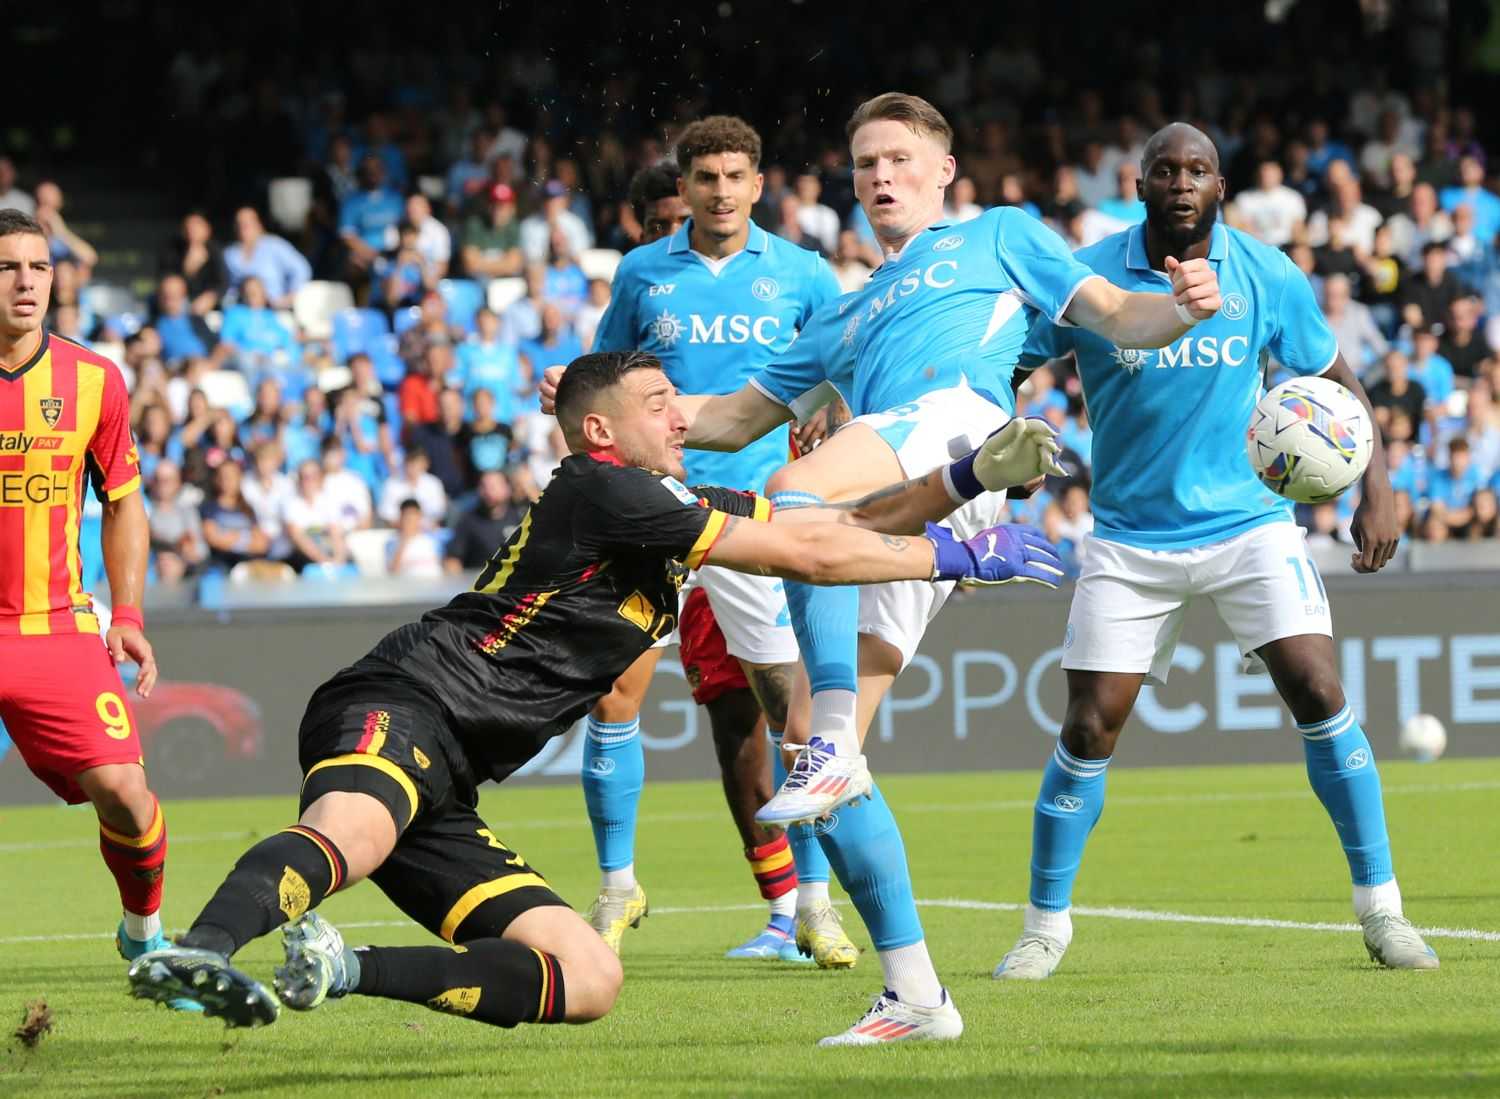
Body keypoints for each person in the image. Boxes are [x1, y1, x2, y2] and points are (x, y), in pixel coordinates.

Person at [545, 93, 1221, 1046]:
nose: (881, 176)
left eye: (899, 158)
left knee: (793, 497)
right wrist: (600, 408)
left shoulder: (996, 236)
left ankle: (968, 487)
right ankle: (916, 993)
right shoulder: (848, 310)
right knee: (838, 765)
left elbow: (1118, 315)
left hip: (952, 416)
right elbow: (725, 416)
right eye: (865, 163)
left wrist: (1180, 310)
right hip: (895, 504)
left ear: (943, 171)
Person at [126, 349, 1063, 1030]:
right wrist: (956, 551)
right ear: (602, 429)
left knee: (586, 977)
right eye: (662, 404)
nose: (683, 418)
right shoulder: (602, 489)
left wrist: (966, 478)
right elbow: (812, 553)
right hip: (404, 698)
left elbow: (840, 520)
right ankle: (195, 953)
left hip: (452, 773)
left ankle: (340, 968)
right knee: (357, 833)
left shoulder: (673, 506)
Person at [995, 122, 1436, 985]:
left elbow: (1335, 382)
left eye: (1197, 169)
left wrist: (1375, 486)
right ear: (1141, 185)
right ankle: (1044, 926)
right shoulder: (1089, 277)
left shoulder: (1266, 273)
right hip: (1127, 537)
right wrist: (994, 440)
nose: (1182, 182)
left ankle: (1383, 910)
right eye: (1166, 170)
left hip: (1250, 525)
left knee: (1319, 686)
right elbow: (1007, 361)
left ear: (1221, 185)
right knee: (1089, 726)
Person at [580, 116, 850, 965]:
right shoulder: (641, 275)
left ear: (758, 182)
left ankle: (813, 905)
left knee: (787, 710)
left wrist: (829, 434)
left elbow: (840, 375)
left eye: (736, 175)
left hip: (749, 515)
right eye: (707, 177)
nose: (722, 191)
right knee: (613, 695)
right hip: (653, 506)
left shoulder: (804, 274)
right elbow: (606, 380)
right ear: (686, 185)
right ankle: (618, 885)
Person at [0, 211, 189, 998]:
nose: (26, 282)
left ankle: (144, 933)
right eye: (8, 267)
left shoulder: (93, 379)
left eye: (39, 267)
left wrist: (130, 614)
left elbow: (123, 503)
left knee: (127, 791)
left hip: (55, 629)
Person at [223, 207, 312, 309]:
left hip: (274, 308)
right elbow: (226, 286)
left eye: (248, 224)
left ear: (258, 224)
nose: (244, 228)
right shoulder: (230, 253)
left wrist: (289, 298)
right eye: (240, 224)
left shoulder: (275, 245)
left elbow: (302, 269)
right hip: (241, 309)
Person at [444, 468, 525, 573]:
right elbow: (452, 560)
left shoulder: (521, 518)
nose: (488, 491)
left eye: (493, 487)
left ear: (507, 489)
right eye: (483, 486)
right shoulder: (468, 520)